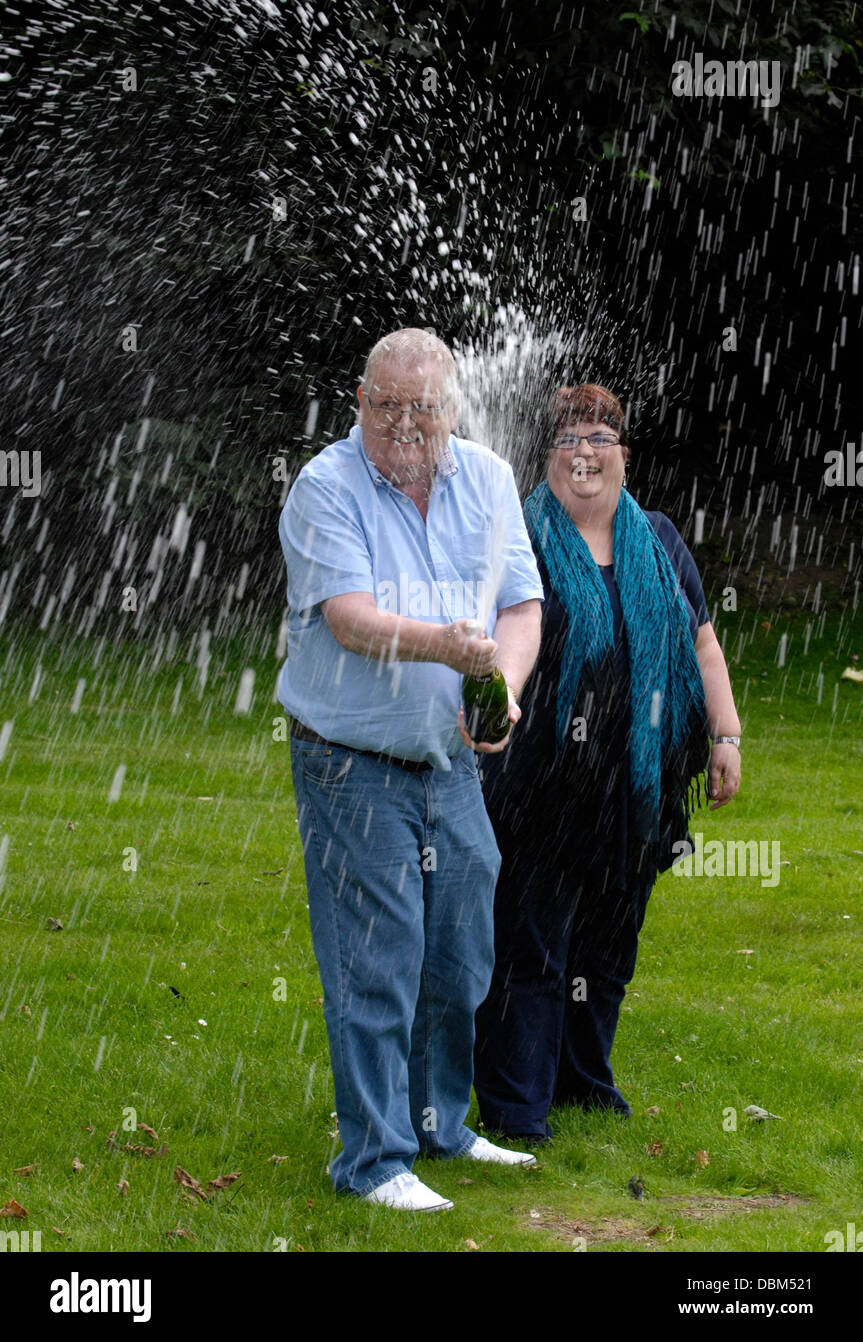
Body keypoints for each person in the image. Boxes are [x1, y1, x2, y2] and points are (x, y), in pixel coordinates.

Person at [278, 328, 543, 1210]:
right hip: (349, 760)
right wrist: (450, 648)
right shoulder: (325, 486)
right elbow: (350, 619)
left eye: (420, 408)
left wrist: (499, 682)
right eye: (383, 405)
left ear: (451, 408)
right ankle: (374, 1160)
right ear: (359, 403)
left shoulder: (491, 479)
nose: (402, 424)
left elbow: (519, 602)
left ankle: (439, 1124)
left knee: (462, 953)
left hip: (448, 761)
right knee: (376, 956)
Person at [473, 384, 741, 1143]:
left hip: (636, 787)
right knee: (532, 946)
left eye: (599, 436)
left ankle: (583, 1085)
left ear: (624, 452)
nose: (583, 451)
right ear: (546, 454)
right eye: (566, 438)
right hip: (541, 788)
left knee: (606, 950)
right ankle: (516, 1106)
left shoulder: (655, 538)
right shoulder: (517, 536)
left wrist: (725, 737)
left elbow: (701, 642)